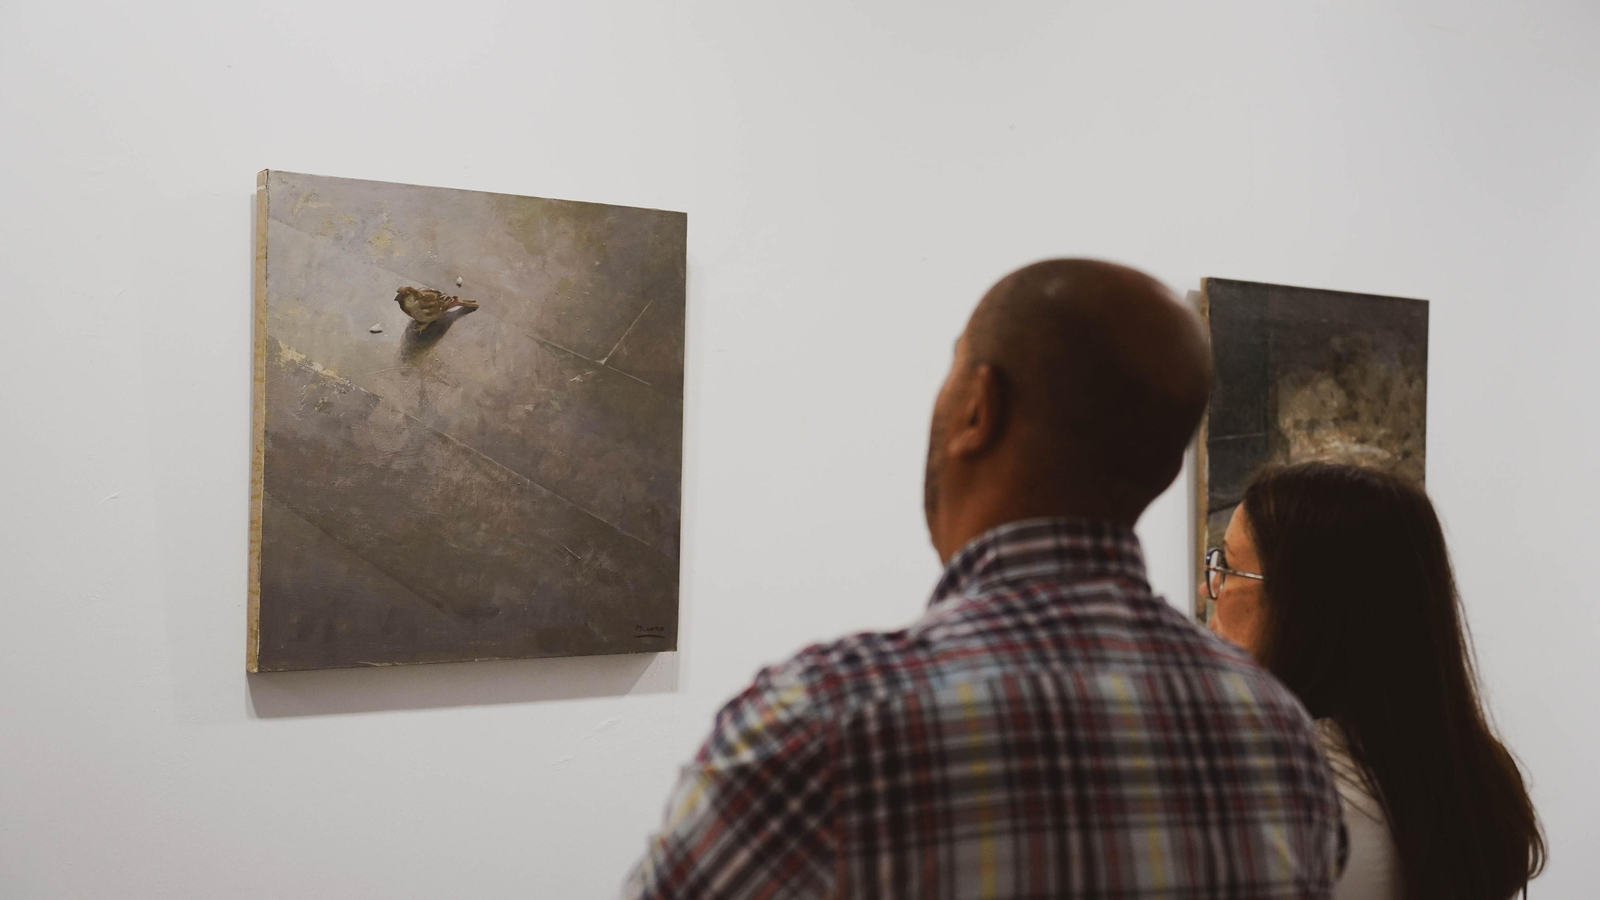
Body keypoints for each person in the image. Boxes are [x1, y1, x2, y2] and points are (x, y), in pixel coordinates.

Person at [623, 259, 1345, 899]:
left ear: (978, 406)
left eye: (950, 370)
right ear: (1165, 468)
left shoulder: (831, 722)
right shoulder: (1275, 732)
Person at [1205, 462, 1545, 900]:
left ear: (1302, 608)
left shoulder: (1286, 796)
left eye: (1228, 567)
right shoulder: (1467, 776)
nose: (1209, 588)